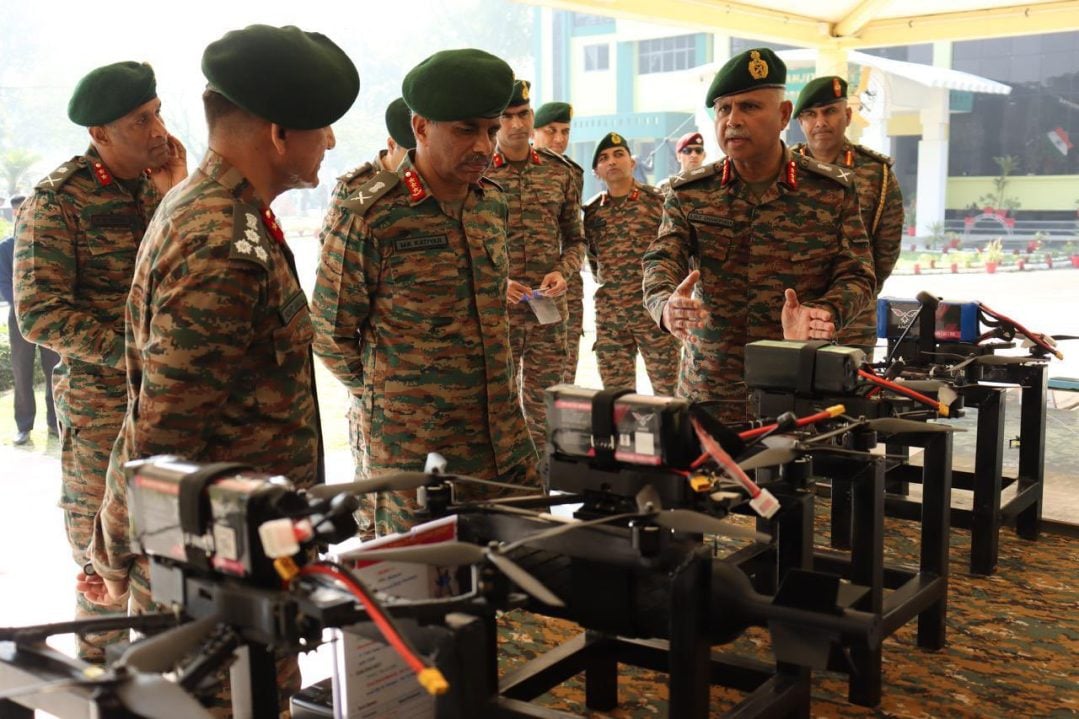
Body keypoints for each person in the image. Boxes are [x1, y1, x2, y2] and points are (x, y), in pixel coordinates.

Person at [85, 27, 357, 714]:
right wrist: (111, 554)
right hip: (209, 578)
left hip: (238, 564)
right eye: (321, 127)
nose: (328, 142)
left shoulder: (227, 215)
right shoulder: (220, 242)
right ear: (276, 134)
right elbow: (158, 437)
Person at [311, 48, 538, 537]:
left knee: (527, 574)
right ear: (420, 127)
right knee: (424, 592)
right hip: (416, 457)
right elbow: (329, 333)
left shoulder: (489, 203)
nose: (484, 145)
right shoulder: (371, 213)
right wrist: (396, 400)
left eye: (491, 130)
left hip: (505, 442)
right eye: (465, 130)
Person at [13, 61, 186, 661]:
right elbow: (38, 313)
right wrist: (136, 354)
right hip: (105, 414)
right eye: (142, 119)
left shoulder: (169, 190)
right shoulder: (59, 201)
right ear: (100, 134)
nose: (160, 129)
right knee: (103, 568)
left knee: (178, 559)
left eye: (159, 111)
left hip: (175, 407)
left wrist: (176, 196)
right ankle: (99, 690)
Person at [642, 48, 875, 423]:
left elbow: (858, 274)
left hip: (799, 384)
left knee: (797, 481)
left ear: (783, 115)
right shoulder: (690, 192)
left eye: (749, 107)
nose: (732, 121)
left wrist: (825, 312)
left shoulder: (830, 191)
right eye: (723, 109)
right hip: (710, 388)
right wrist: (665, 305)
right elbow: (661, 258)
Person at [326, 97, 418, 538]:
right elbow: (335, 298)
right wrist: (371, 385)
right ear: (391, 146)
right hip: (376, 373)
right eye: (408, 154)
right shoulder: (362, 192)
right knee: (374, 491)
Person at [487, 80, 586, 460]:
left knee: (548, 409)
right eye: (508, 116)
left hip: (548, 313)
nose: (517, 124)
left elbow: (576, 239)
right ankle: (509, 495)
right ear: (496, 122)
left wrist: (564, 271)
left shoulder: (560, 172)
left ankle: (543, 497)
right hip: (498, 314)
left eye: (523, 114)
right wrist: (499, 282)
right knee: (499, 408)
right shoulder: (477, 174)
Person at [791, 75, 904, 355]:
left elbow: (886, 249)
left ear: (848, 115)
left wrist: (853, 294)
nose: (821, 122)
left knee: (851, 394)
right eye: (810, 114)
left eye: (830, 111)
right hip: (792, 313)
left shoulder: (877, 174)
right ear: (800, 122)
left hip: (851, 320)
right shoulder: (784, 168)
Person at [586, 132, 680, 395]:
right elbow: (595, 264)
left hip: (655, 313)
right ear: (596, 172)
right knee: (617, 398)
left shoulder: (658, 202)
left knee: (669, 394)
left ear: (633, 162)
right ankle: (625, 439)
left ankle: (670, 438)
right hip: (611, 318)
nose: (612, 162)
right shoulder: (592, 213)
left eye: (619, 154)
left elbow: (676, 251)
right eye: (604, 158)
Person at [531, 101, 588, 383]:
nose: (559, 139)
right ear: (533, 131)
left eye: (565, 131)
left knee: (562, 374)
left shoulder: (570, 172)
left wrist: (564, 272)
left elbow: (574, 234)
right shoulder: (494, 168)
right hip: (514, 288)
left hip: (560, 286)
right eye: (550, 130)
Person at [2, 195, 60, 446]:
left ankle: (55, 423)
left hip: (49, 316)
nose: (19, 215)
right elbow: (3, 282)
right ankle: (24, 426)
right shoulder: (5, 247)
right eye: (15, 212)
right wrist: (22, 305)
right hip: (19, 317)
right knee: (22, 371)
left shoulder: (48, 244)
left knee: (54, 370)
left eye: (23, 210)